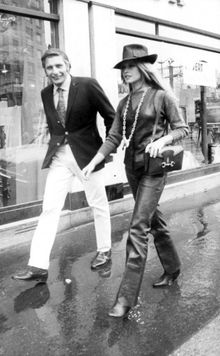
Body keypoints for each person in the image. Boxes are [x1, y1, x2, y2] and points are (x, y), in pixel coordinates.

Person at [82, 44, 189, 318]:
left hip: (154, 169)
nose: (126, 71)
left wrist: (163, 139)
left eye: (130, 66)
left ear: (143, 67)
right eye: (123, 68)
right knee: (154, 221)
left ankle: (125, 299)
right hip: (133, 168)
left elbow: (182, 129)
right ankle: (173, 268)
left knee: (138, 227)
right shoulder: (124, 102)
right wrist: (95, 160)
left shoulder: (162, 96)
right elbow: (114, 136)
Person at [13, 48, 115, 283]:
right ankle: (38, 265)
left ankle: (104, 250)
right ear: (45, 71)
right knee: (49, 208)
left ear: (68, 65)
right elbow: (57, 126)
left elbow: (112, 117)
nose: (55, 71)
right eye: (50, 68)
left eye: (59, 66)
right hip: (59, 156)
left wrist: (106, 150)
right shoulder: (45, 93)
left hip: (88, 156)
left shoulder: (88, 85)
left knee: (98, 204)